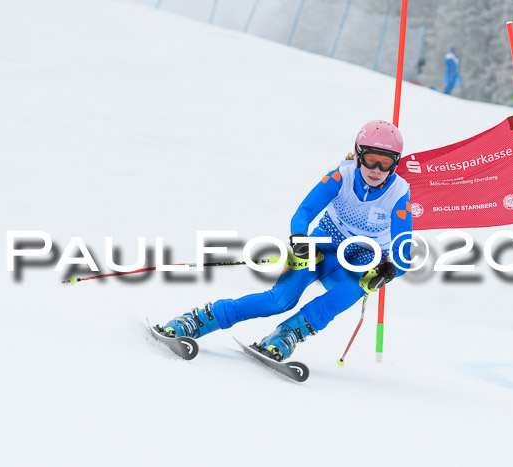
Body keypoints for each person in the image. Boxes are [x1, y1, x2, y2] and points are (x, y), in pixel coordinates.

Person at [159, 120, 413, 362]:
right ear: (358, 155)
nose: (377, 170)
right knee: (280, 300)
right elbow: (304, 212)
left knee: (358, 287)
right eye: (370, 160)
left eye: (385, 163)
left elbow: (404, 250)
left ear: (395, 163)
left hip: (360, 261)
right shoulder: (342, 176)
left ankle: (287, 334)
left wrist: (389, 270)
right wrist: (300, 239)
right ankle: (199, 319)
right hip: (320, 247)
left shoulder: (399, 193)